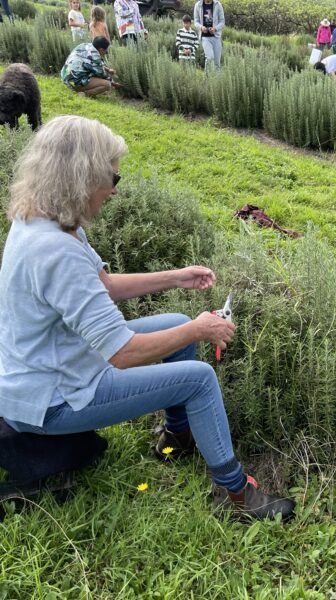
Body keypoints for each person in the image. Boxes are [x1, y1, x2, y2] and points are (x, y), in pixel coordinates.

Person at [0, 115, 296, 522]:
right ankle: (235, 495)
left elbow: (103, 285)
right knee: (199, 378)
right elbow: (121, 353)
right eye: (114, 180)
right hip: (51, 399)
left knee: (174, 321)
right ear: (83, 177)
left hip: (49, 366)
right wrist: (200, 328)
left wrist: (177, 277)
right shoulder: (56, 250)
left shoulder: (44, 219)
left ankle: (176, 437)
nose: (114, 192)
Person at [194, 0, 225, 72]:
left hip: (216, 37)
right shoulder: (198, 5)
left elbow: (222, 21)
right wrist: (201, 27)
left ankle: (217, 82)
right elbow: (196, 21)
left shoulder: (218, 4)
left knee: (217, 62)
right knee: (210, 57)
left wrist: (215, 28)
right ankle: (207, 80)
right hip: (205, 37)